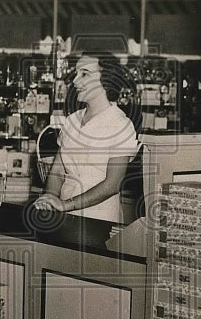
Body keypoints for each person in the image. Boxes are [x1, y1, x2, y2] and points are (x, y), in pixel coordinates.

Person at [33, 52, 138, 224]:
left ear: (106, 80)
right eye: (76, 73)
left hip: (100, 219)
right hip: (64, 215)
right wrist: (49, 200)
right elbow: (57, 172)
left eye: (84, 74)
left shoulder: (120, 124)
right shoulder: (72, 120)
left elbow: (113, 183)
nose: (75, 81)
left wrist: (65, 205)